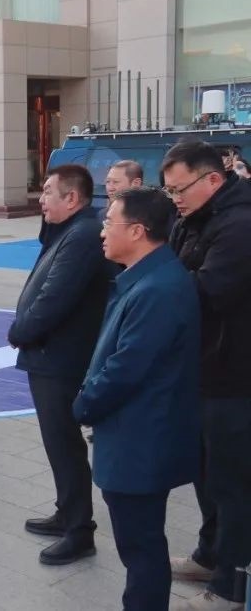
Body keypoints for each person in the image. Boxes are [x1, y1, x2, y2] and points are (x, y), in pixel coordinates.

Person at [74, 187, 200, 611]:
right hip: (137, 434)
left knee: (141, 547)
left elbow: (126, 368)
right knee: (140, 544)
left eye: (109, 222)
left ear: (138, 231)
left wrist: (83, 404)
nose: (102, 232)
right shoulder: (147, 278)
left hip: (141, 440)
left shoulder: (157, 290)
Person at [164, 140, 251, 611]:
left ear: (213, 179)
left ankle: (231, 585)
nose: (174, 198)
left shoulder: (240, 225)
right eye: (169, 190)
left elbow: (205, 291)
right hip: (201, 369)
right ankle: (210, 553)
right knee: (205, 474)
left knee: (232, 482)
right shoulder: (194, 218)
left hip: (234, 376)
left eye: (180, 189)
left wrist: (156, 282)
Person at [8, 164, 108, 565]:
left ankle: (79, 530)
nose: (42, 199)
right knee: (58, 442)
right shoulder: (67, 230)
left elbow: (55, 297)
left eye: (49, 192)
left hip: (61, 358)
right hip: (50, 354)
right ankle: (67, 511)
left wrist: (20, 331)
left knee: (64, 444)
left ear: (73, 198)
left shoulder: (82, 235)